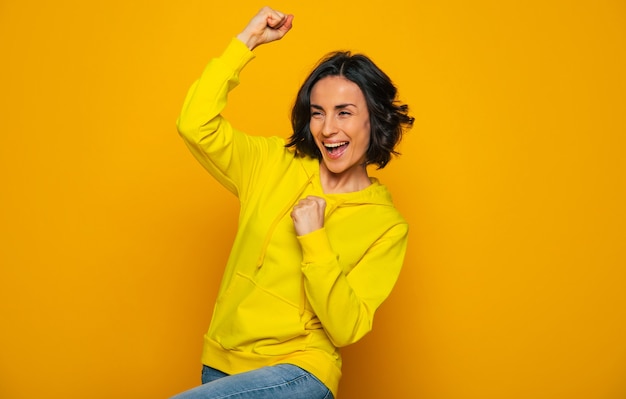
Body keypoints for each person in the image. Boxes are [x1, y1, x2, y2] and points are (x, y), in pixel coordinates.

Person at [171, 6, 414, 399]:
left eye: (344, 113)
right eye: (318, 113)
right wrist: (246, 41)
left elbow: (346, 326)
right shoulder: (271, 165)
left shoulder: (386, 225)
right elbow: (194, 124)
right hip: (221, 362)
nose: (328, 128)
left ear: (375, 118)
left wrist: (314, 239)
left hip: (300, 371)